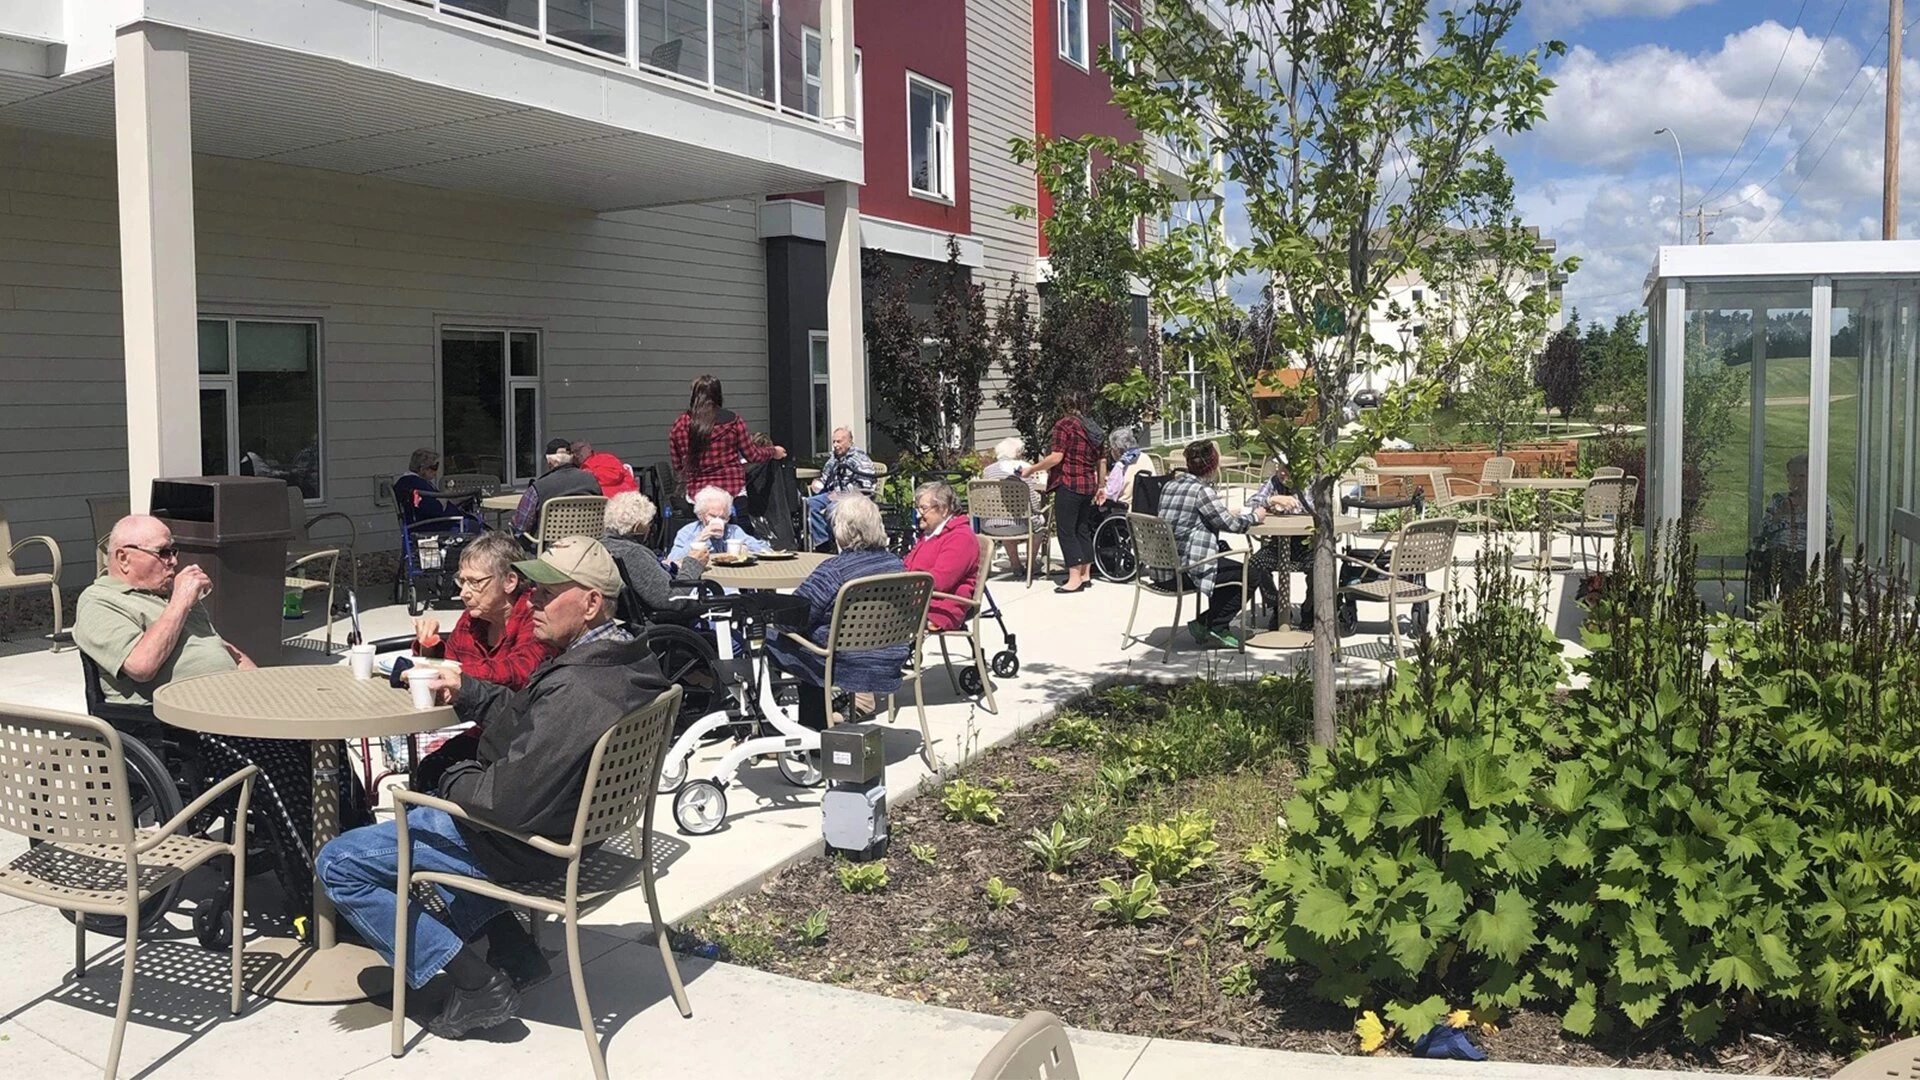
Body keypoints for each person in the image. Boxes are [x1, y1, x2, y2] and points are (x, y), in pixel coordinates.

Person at [316, 536, 669, 1040]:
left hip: (534, 846)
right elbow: (527, 722)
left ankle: (476, 983)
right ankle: (513, 947)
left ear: (591, 602)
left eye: (548, 593)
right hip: (577, 831)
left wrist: (449, 779)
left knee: (340, 862)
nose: (533, 602)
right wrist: (470, 691)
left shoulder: (578, 688)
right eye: (533, 591)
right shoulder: (625, 660)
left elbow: (501, 802)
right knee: (430, 815)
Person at [74, 514, 339, 920]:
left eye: (175, 551)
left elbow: (220, 652)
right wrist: (181, 600)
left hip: (235, 710)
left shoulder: (170, 599)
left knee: (328, 745)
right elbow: (141, 665)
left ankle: (359, 863)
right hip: (177, 729)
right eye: (164, 553)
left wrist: (274, 691)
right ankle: (320, 901)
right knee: (275, 770)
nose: (174, 562)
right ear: (124, 559)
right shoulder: (101, 602)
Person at [407, 532, 556, 793]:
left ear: (510, 581)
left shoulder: (536, 614)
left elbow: (519, 672)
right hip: (486, 733)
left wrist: (449, 672)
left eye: (474, 582)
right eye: (461, 581)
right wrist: (430, 648)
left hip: (528, 740)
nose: (464, 593)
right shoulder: (474, 618)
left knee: (438, 773)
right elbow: (452, 662)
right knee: (431, 768)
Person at [764, 496, 906, 731]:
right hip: (888, 655)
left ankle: (773, 728)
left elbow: (792, 618)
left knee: (765, 639)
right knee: (814, 638)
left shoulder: (834, 570)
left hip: (843, 661)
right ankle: (815, 725)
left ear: (842, 529)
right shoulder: (896, 565)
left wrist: (766, 612)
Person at [1158, 439, 1267, 647]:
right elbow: (1232, 526)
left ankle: (1207, 623)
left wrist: (1224, 513)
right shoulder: (1202, 491)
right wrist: (1255, 516)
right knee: (1251, 574)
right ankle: (1214, 624)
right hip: (1186, 570)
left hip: (1163, 568)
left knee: (1226, 561)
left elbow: (1193, 517)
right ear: (1213, 464)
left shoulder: (1170, 485)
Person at [1025, 392, 1106, 593]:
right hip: (1088, 485)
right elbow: (1102, 460)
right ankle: (1086, 574)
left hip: (1069, 483)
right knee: (1082, 528)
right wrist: (1101, 485)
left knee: (1066, 530)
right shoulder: (1093, 428)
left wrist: (1032, 469)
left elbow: (1056, 457)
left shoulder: (1064, 425)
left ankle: (1074, 579)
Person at [667, 374, 785, 502]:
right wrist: (773, 451)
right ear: (718, 394)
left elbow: (678, 466)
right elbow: (752, 455)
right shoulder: (734, 421)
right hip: (732, 492)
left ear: (693, 395)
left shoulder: (680, 424)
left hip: (698, 496)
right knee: (739, 522)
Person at [601, 490, 697, 622]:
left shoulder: (603, 545)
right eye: (649, 524)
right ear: (637, 527)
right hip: (664, 624)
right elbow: (673, 601)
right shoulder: (633, 554)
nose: (651, 529)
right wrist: (693, 563)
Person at [902, 481, 980, 632]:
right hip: (916, 602)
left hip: (938, 610)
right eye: (917, 508)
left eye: (923, 509)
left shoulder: (961, 538)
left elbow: (940, 581)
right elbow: (908, 565)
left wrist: (901, 585)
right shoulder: (930, 534)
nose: (918, 515)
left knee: (872, 619)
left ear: (943, 509)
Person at [1244, 462, 1312, 632]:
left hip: (1306, 544)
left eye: (1287, 469)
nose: (1282, 473)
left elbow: (1311, 506)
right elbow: (1251, 502)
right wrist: (1272, 499)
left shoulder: (1307, 482)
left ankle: (1309, 609)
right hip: (1277, 543)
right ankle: (1278, 607)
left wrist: (1290, 504)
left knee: (1319, 566)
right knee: (1255, 564)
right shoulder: (1273, 482)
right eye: (1280, 468)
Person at [1753, 453, 1832, 596]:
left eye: (1802, 476)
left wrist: (1809, 510)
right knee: (1779, 565)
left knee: (1801, 568)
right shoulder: (1778, 499)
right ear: (1788, 478)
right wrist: (1779, 515)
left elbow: (1828, 533)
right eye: (1793, 476)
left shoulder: (1820, 500)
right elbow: (1762, 530)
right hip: (1780, 550)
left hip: (1807, 551)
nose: (1797, 481)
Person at [666, 486, 771, 580]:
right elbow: (671, 561)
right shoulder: (688, 531)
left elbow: (765, 550)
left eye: (722, 517)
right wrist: (700, 539)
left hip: (731, 583)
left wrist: (747, 549)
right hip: (702, 584)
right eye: (712, 516)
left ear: (728, 518)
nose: (717, 520)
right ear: (701, 515)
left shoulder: (733, 531)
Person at [977, 436, 1044, 573]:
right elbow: (1033, 503)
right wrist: (1039, 512)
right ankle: (1031, 566)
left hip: (990, 524)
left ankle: (1016, 565)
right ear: (1017, 452)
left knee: (1005, 515)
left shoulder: (987, 471)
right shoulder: (1022, 469)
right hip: (1019, 526)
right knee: (1037, 523)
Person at [510, 438, 602, 536]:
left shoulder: (539, 487)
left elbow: (521, 525)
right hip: (587, 544)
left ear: (549, 461)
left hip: (550, 548)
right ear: (571, 458)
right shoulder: (591, 480)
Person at [806, 426, 878, 548]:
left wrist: (841, 495)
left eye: (839, 441)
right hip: (833, 494)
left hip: (854, 498)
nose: (835, 445)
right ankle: (823, 542)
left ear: (849, 442)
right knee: (809, 503)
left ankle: (838, 542)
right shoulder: (833, 459)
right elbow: (824, 478)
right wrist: (817, 484)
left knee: (831, 510)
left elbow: (865, 487)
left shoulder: (860, 459)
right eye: (834, 441)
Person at [393, 448, 478, 530]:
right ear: (422, 468)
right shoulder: (416, 484)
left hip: (433, 523)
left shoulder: (406, 482)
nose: (436, 471)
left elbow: (432, 503)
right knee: (478, 527)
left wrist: (460, 498)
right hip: (433, 527)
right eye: (434, 467)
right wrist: (446, 494)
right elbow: (437, 509)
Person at [1102, 425, 1155, 506]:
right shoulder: (1145, 457)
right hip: (1146, 506)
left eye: (1111, 448)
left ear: (1117, 449)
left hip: (1124, 508)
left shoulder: (1121, 465)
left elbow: (1110, 494)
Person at [572, 440, 639, 498]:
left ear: (589, 448)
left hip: (624, 500)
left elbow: (615, 475)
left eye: (578, 450)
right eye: (573, 452)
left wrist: (592, 474)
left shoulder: (606, 458)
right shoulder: (575, 470)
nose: (576, 455)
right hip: (600, 506)